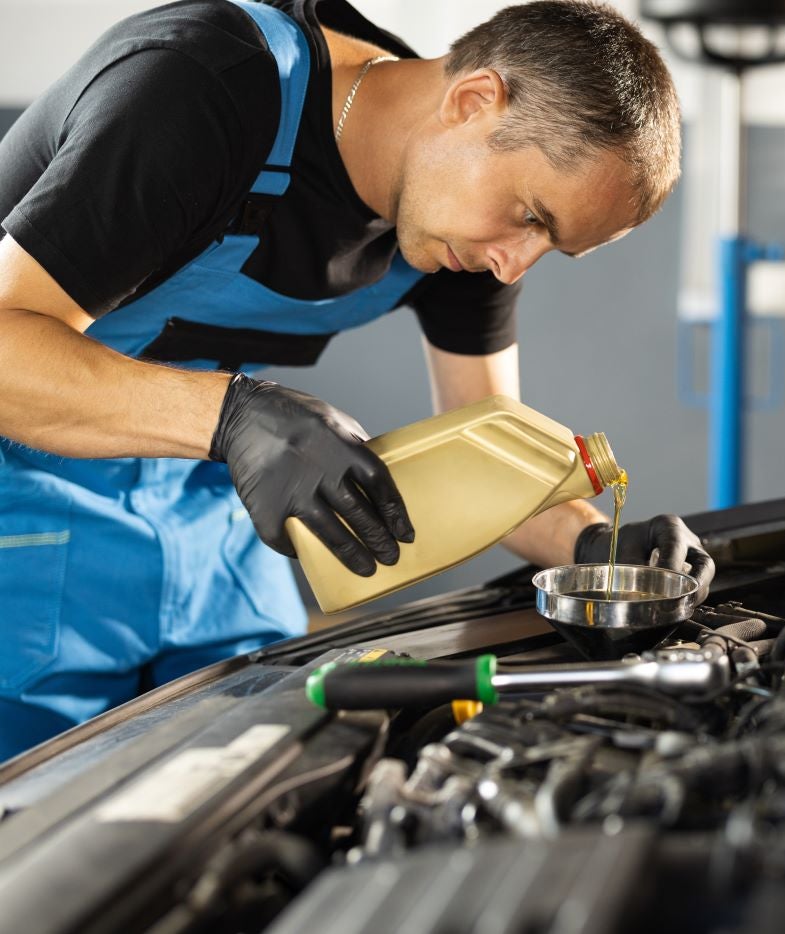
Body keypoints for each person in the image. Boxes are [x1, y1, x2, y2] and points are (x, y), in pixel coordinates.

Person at [0, 0, 714, 758]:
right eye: (530, 217)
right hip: (24, 524)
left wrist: (600, 553)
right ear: (473, 102)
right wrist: (234, 416)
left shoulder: (464, 226)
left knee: (265, 781)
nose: (514, 264)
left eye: (551, 246)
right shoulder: (206, 89)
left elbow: (486, 449)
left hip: (207, 523)